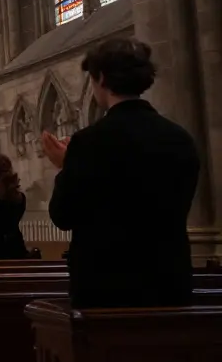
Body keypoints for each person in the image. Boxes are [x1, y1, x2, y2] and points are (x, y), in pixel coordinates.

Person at [42, 37, 198, 308]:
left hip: (106, 290)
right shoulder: (180, 138)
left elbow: (63, 215)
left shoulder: (89, 142)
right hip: (169, 286)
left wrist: (66, 168)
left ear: (101, 78)